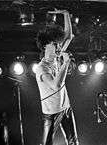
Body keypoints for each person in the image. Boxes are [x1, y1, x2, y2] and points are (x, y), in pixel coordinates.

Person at [35, 10, 79, 145]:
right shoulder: (42, 68)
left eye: (59, 44)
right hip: (51, 113)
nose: (59, 47)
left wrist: (66, 14)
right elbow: (56, 85)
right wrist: (66, 63)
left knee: (74, 142)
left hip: (65, 108)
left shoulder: (57, 56)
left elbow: (69, 36)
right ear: (45, 46)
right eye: (55, 44)